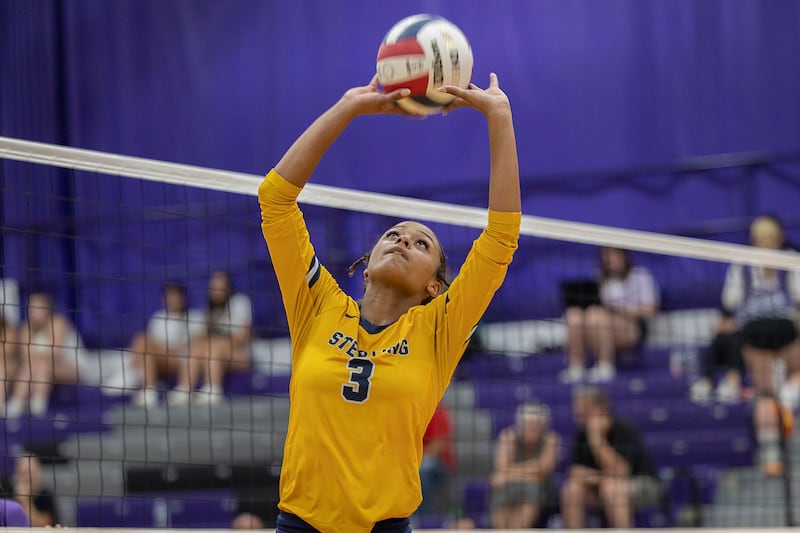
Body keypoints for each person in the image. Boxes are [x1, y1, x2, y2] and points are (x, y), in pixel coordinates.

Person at [259, 72, 520, 533]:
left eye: (422, 244)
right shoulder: (318, 305)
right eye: (394, 234)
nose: (403, 241)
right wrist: (346, 109)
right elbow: (276, 200)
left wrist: (499, 118)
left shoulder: (438, 329)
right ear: (366, 261)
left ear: (434, 288)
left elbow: (500, 239)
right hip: (300, 524)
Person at [717, 215, 800, 476]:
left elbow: (730, 301)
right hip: (786, 329)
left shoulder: (741, 263)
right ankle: (788, 394)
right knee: (796, 374)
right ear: (780, 236)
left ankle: (771, 457)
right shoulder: (791, 259)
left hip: (755, 333)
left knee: (764, 394)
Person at [560, 386, 662, 529]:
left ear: (599, 409)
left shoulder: (623, 429)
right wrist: (602, 477)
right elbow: (575, 472)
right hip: (601, 486)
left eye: (582, 409)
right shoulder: (581, 433)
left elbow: (621, 471)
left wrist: (597, 440)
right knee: (571, 490)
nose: (576, 413)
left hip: (642, 484)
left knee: (612, 488)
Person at [561, 247, 659, 383]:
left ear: (624, 257)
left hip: (630, 327)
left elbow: (650, 310)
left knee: (598, 315)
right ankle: (576, 367)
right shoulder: (599, 278)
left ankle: (605, 365)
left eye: (614, 256)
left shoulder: (640, 275)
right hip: (598, 326)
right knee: (573, 315)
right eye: (607, 257)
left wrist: (618, 309)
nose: (610, 260)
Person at [169, 271, 253, 405]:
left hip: (241, 354)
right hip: (214, 355)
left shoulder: (239, 302)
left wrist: (217, 343)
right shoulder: (209, 309)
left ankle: (213, 390)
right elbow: (202, 336)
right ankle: (185, 389)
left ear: (228, 286)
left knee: (212, 349)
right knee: (198, 347)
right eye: (213, 286)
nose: (216, 289)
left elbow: (243, 337)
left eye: (220, 285)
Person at [5, 291, 84, 418]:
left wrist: (37, 356)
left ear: (46, 309)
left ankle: (33, 403)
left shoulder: (58, 323)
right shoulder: (26, 328)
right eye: (30, 307)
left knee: (41, 364)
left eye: (36, 307)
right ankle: (20, 403)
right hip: (38, 369)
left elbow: (55, 353)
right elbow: (26, 357)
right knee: (36, 365)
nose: (32, 311)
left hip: (71, 368)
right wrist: (39, 356)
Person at [128, 283, 204, 407]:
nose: (171, 300)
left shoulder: (195, 316)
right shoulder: (158, 318)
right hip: (161, 360)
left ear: (183, 298)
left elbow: (199, 344)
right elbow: (151, 344)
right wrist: (165, 349)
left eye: (174, 296)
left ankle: (132, 375)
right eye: (168, 297)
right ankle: (149, 393)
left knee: (146, 345)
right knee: (142, 342)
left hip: (185, 361)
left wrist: (167, 349)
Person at [490, 401, 560, 529]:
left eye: (537, 426)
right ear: (521, 425)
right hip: (512, 487)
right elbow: (501, 468)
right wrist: (533, 471)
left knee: (532, 489)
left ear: (543, 426)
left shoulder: (550, 439)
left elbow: (544, 470)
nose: (533, 429)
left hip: (542, 490)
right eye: (529, 426)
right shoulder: (508, 436)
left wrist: (509, 474)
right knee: (501, 490)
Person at [417, 403, 456, 517]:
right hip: (417, 460)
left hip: (439, 464)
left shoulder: (438, 411)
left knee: (422, 469)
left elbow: (438, 445)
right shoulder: (411, 409)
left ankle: (422, 518)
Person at [0, 453, 58, 527]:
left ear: (39, 471)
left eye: (31, 472)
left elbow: (42, 526)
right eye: (24, 473)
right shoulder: (7, 493)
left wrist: (26, 501)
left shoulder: (46, 495)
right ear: (16, 474)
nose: (28, 477)